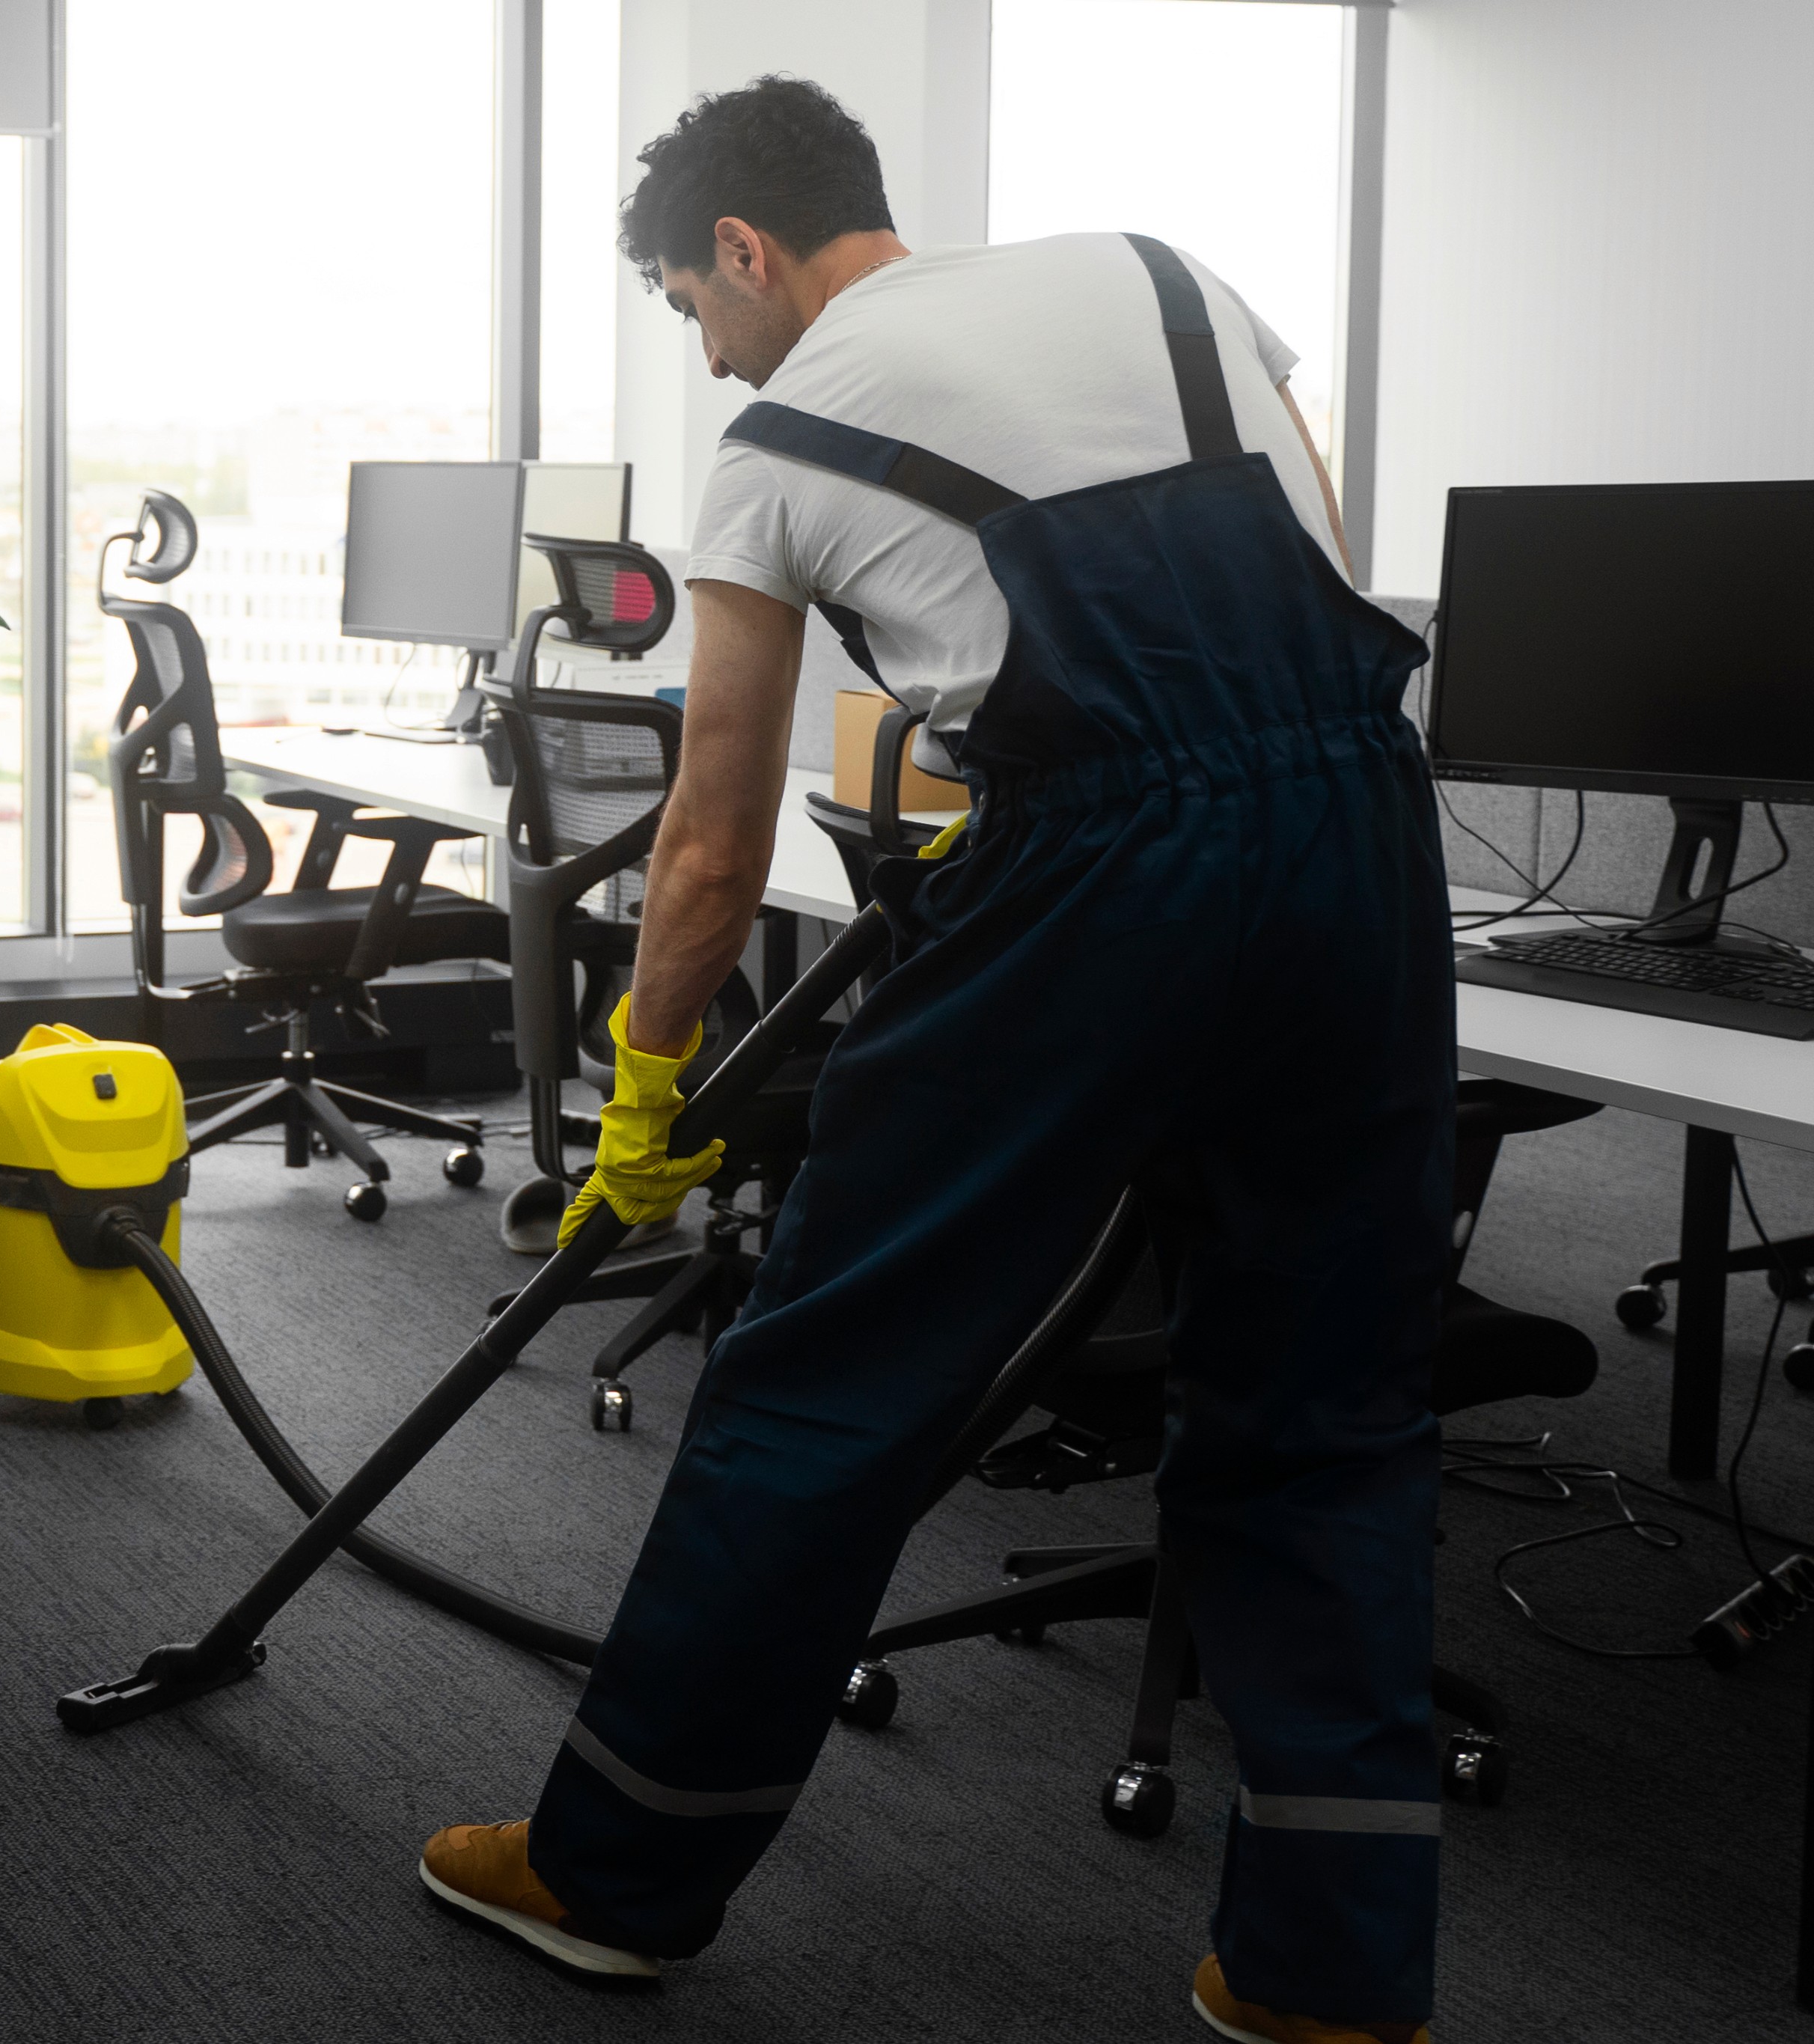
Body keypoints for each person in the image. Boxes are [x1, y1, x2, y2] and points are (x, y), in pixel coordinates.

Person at [415, 78, 1450, 2044]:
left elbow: (711, 840)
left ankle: (617, 1869)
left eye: (682, 303)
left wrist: (638, 1094)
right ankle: (1332, 1975)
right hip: (1361, 830)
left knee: (828, 1369)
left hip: (1104, 878)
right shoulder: (1169, 276)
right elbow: (1301, 570)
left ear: (742, 248)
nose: (701, 347)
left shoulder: (776, 438)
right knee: (1330, 1392)